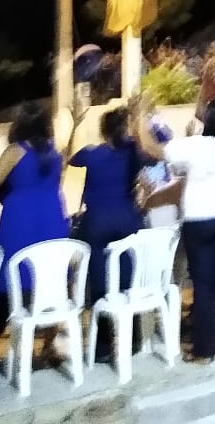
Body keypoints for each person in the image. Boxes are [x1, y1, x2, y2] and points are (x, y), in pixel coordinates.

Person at [133, 82, 215, 364]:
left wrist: (139, 115)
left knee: (204, 285)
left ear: (205, 122)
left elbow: (151, 147)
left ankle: (205, 350)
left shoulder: (193, 147)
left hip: (200, 222)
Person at [0, 100, 75, 327]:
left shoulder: (15, 151)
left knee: (14, 277)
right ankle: (50, 342)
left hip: (20, 220)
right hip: (52, 216)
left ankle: (10, 331)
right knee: (49, 276)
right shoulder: (55, 152)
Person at [68, 107, 145, 360]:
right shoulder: (132, 153)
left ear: (103, 130)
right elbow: (148, 151)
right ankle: (132, 340)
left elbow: (69, 158)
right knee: (127, 279)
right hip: (127, 219)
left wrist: (76, 124)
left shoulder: (92, 153)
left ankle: (102, 347)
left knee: (100, 283)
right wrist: (138, 117)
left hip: (97, 222)